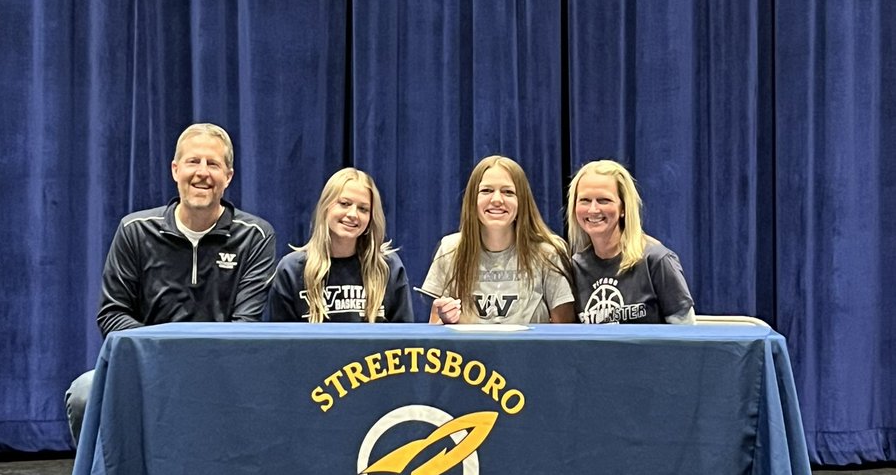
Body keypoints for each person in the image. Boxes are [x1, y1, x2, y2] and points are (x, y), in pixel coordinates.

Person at [65, 123, 277, 445]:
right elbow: (112, 315)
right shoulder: (134, 230)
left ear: (228, 176)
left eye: (213, 164)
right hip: (145, 371)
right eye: (193, 162)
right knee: (84, 394)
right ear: (175, 169)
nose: (202, 173)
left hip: (221, 377)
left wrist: (190, 362)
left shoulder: (255, 237)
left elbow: (244, 327)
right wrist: (165, 356)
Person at [423, 155, 576, 325]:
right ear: (472, 200)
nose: (497, 200)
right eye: (486, 191)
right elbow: (434, 332)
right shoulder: (450, 250)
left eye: (508, 192)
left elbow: (565, 333)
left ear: (522, 201)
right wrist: (444, 320)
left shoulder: (548, 254)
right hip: (469, 352)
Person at [268, 168, 412, 323]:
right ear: (325, 207)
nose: (352, 214)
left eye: (363, 209)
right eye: (344, 204)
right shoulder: (291, 270)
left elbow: (404, 340)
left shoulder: (388, 267)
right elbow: (281, 342)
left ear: (371, 218)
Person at [566, 159, 695, 324]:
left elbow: (687, 337)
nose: (593, 209)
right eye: (585, 200)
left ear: (623, 208)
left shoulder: (656, 260)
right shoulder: (575, 266)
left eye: (604, 200)